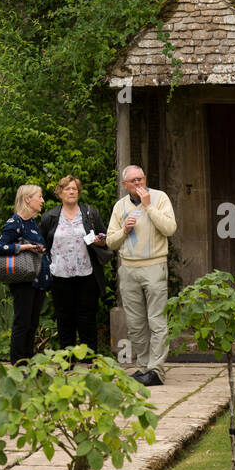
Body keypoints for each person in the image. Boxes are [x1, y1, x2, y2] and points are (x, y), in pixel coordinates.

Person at [106, 164, 177, 387]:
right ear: (124, 185)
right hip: (128, 269)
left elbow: (170, 228)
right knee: (136, 323)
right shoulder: (120, 206)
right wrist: (124, 231)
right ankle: (145, 367)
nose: (138, 184)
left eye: (141, 179)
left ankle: (156, 370)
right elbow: (110, 241)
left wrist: (149, 208)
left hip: (154, 265)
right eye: (133, 181)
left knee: (156, 319)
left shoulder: (160, 198)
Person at [39, 176, 110, 351]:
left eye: (75, 189)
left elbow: (106, 237)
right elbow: (42, 245)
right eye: (67, 189)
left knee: (87, 318)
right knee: (65, 319)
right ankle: (67, 359)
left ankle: (89, 359)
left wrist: (100, 240)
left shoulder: (90, 213)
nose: (71, 192)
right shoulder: (50, 217)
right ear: (60, 193)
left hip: (87, 274)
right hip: (60, 276)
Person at [0, 183, 49, 363]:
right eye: (39, 196)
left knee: (32, 324)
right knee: (22, 323)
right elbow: (1, 248)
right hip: (23, 281)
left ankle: (29, 361)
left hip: (37, 281)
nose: (42, 200)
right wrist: (26, 247)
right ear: (28, 199)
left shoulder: (32, 222)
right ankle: (19, 364)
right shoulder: (15, 222)